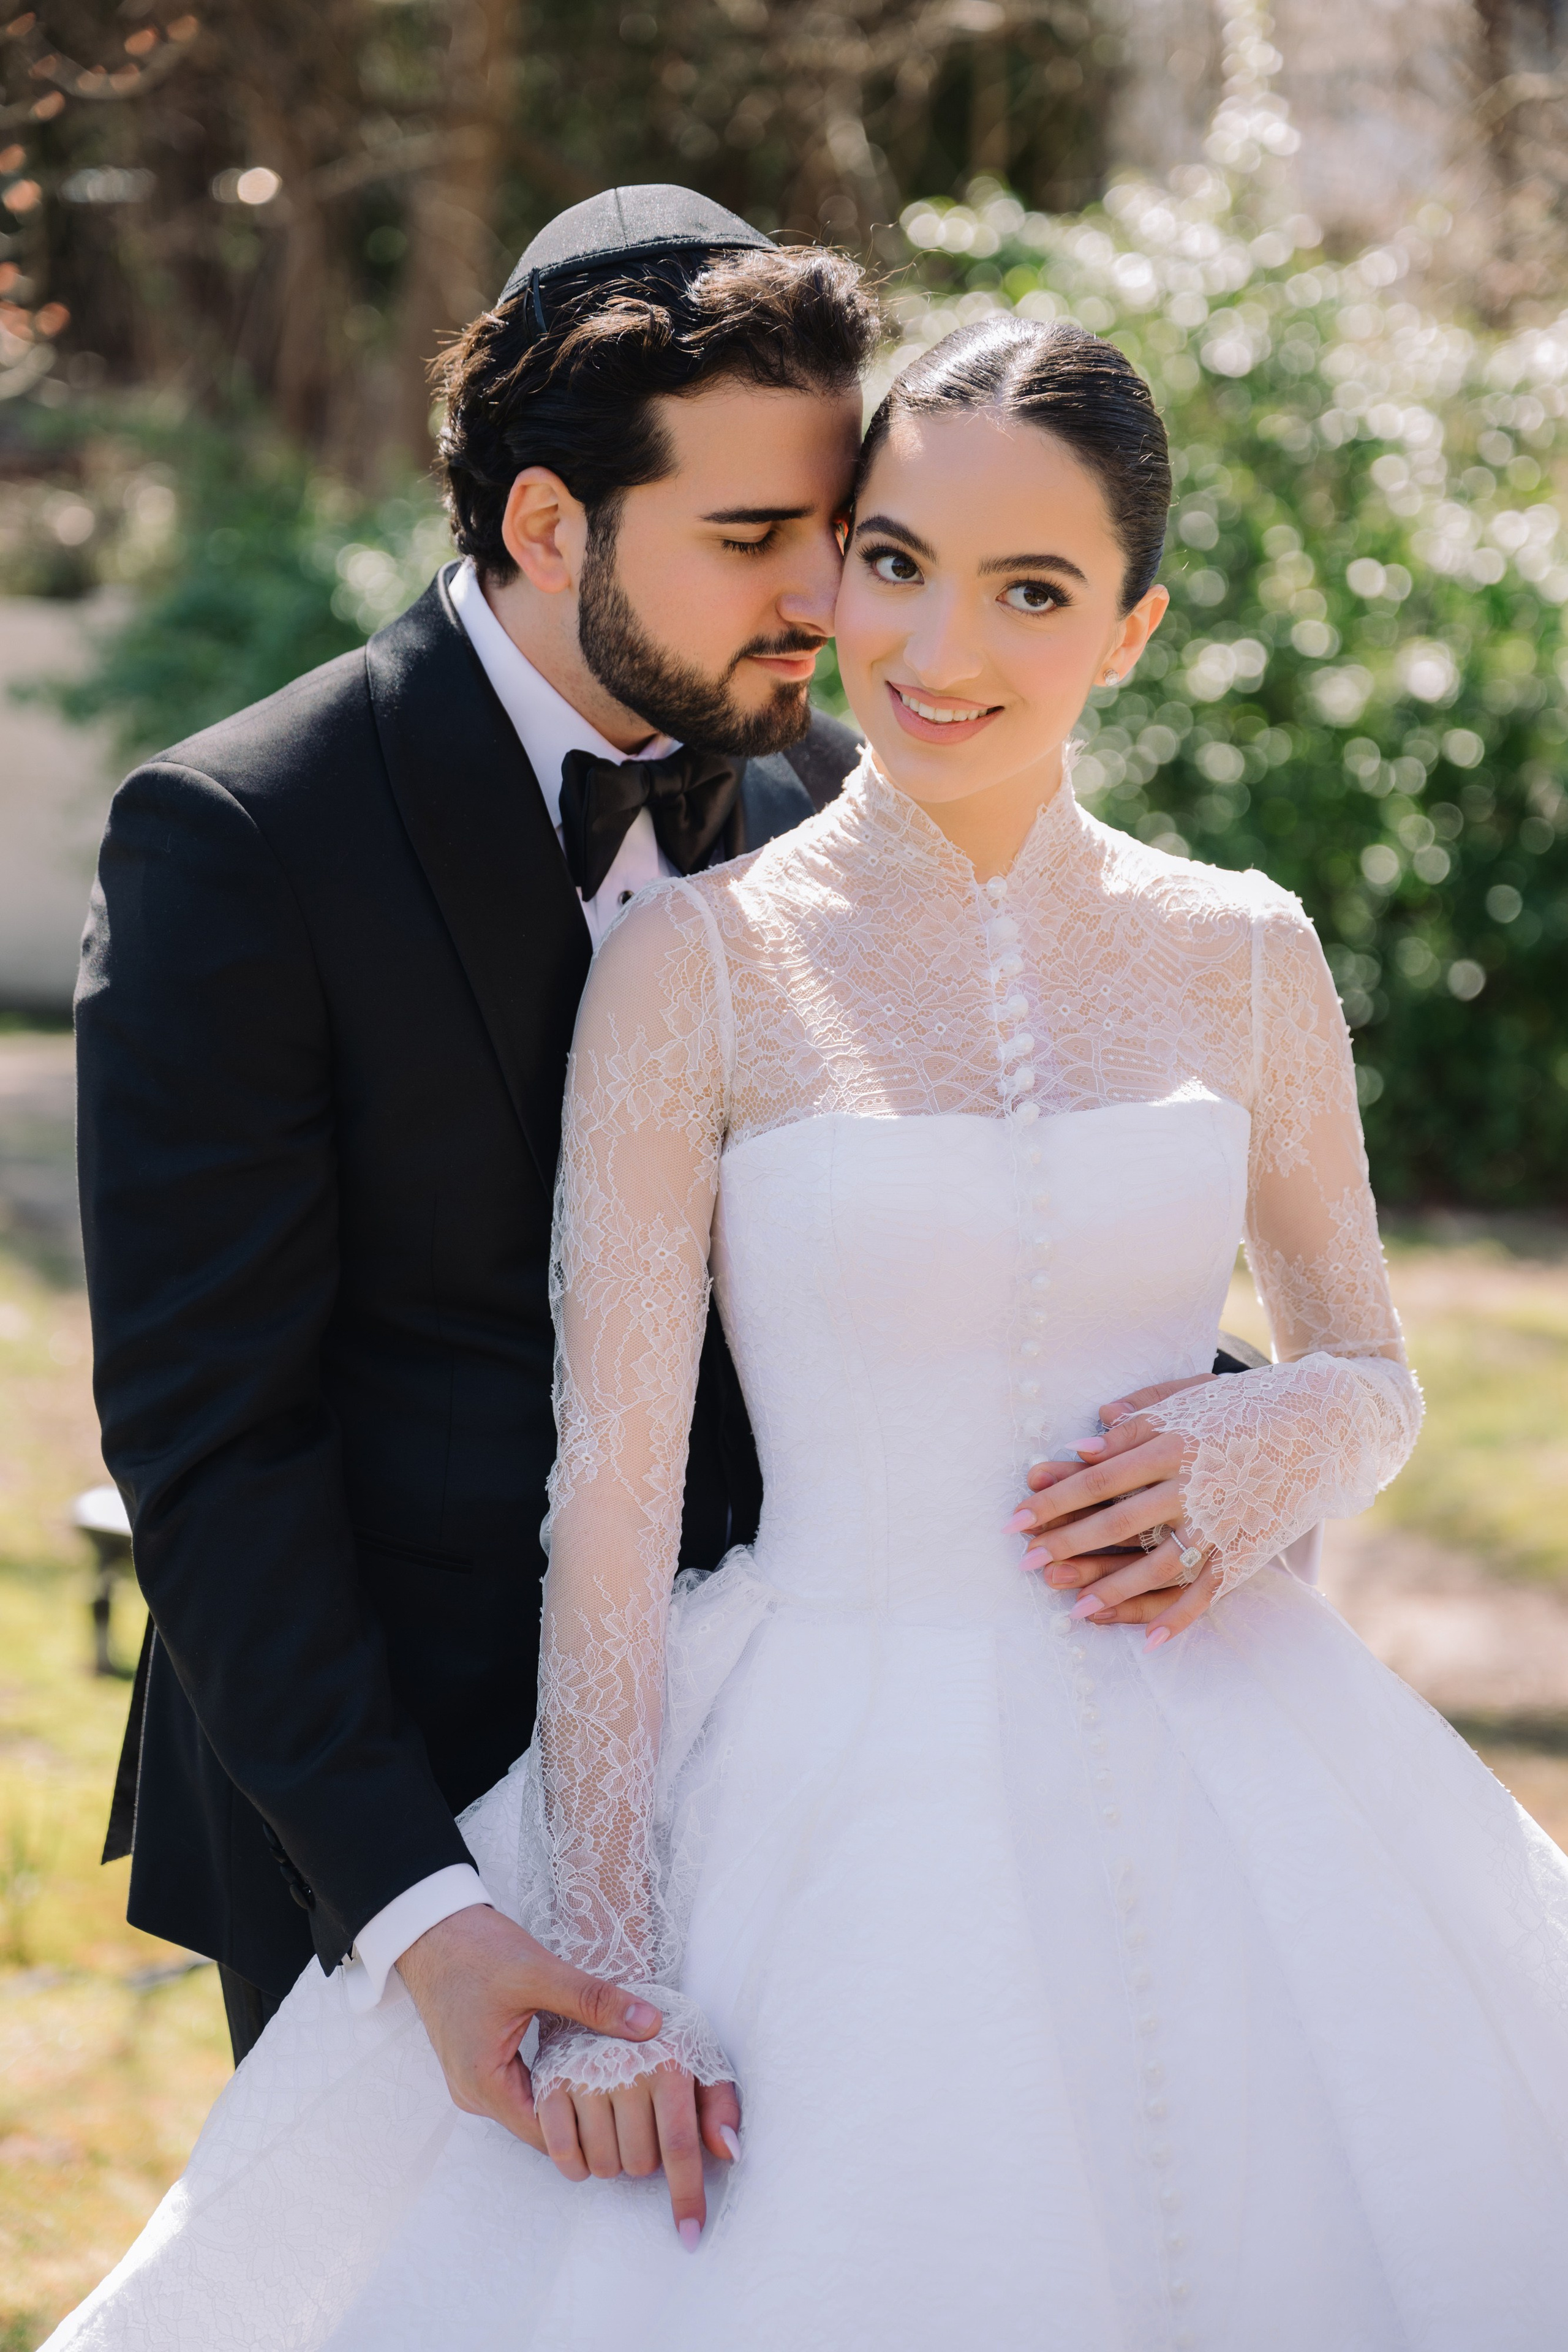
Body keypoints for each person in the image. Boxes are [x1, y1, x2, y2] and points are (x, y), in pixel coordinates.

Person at [54, 317, 1568, 2351]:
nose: (938, 643)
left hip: (1242, 1745)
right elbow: (607, 1496)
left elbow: (1367, 1369)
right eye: (893, 561)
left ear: (1132, 631)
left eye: (1032, 590)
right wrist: (601, 1954)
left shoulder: (1245, 947)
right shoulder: (698, 960)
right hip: (829, 1759)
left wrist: (1281, 1439)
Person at [74, 183, 878, 2166]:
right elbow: (213, 1438)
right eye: (754, 539)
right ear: (547, 525)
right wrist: (425, 1917)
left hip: (780, 1753)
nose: (824, 600)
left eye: (837, 536)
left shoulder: (830, 798)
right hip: (394, 1807)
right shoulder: (242, 838)